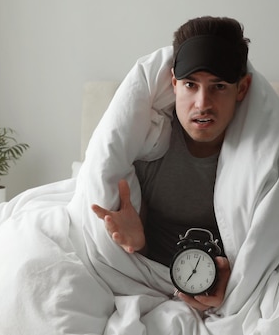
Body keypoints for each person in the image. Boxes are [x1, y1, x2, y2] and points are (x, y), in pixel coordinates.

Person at [90, 16, 252, 314]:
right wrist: (137, 244)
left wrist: (241, 279)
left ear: (241, 89)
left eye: (218, 86)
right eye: (191, 85)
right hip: (151, 278)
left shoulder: (256, 158)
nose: (202, 103)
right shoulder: (149, 147)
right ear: (174, 84)